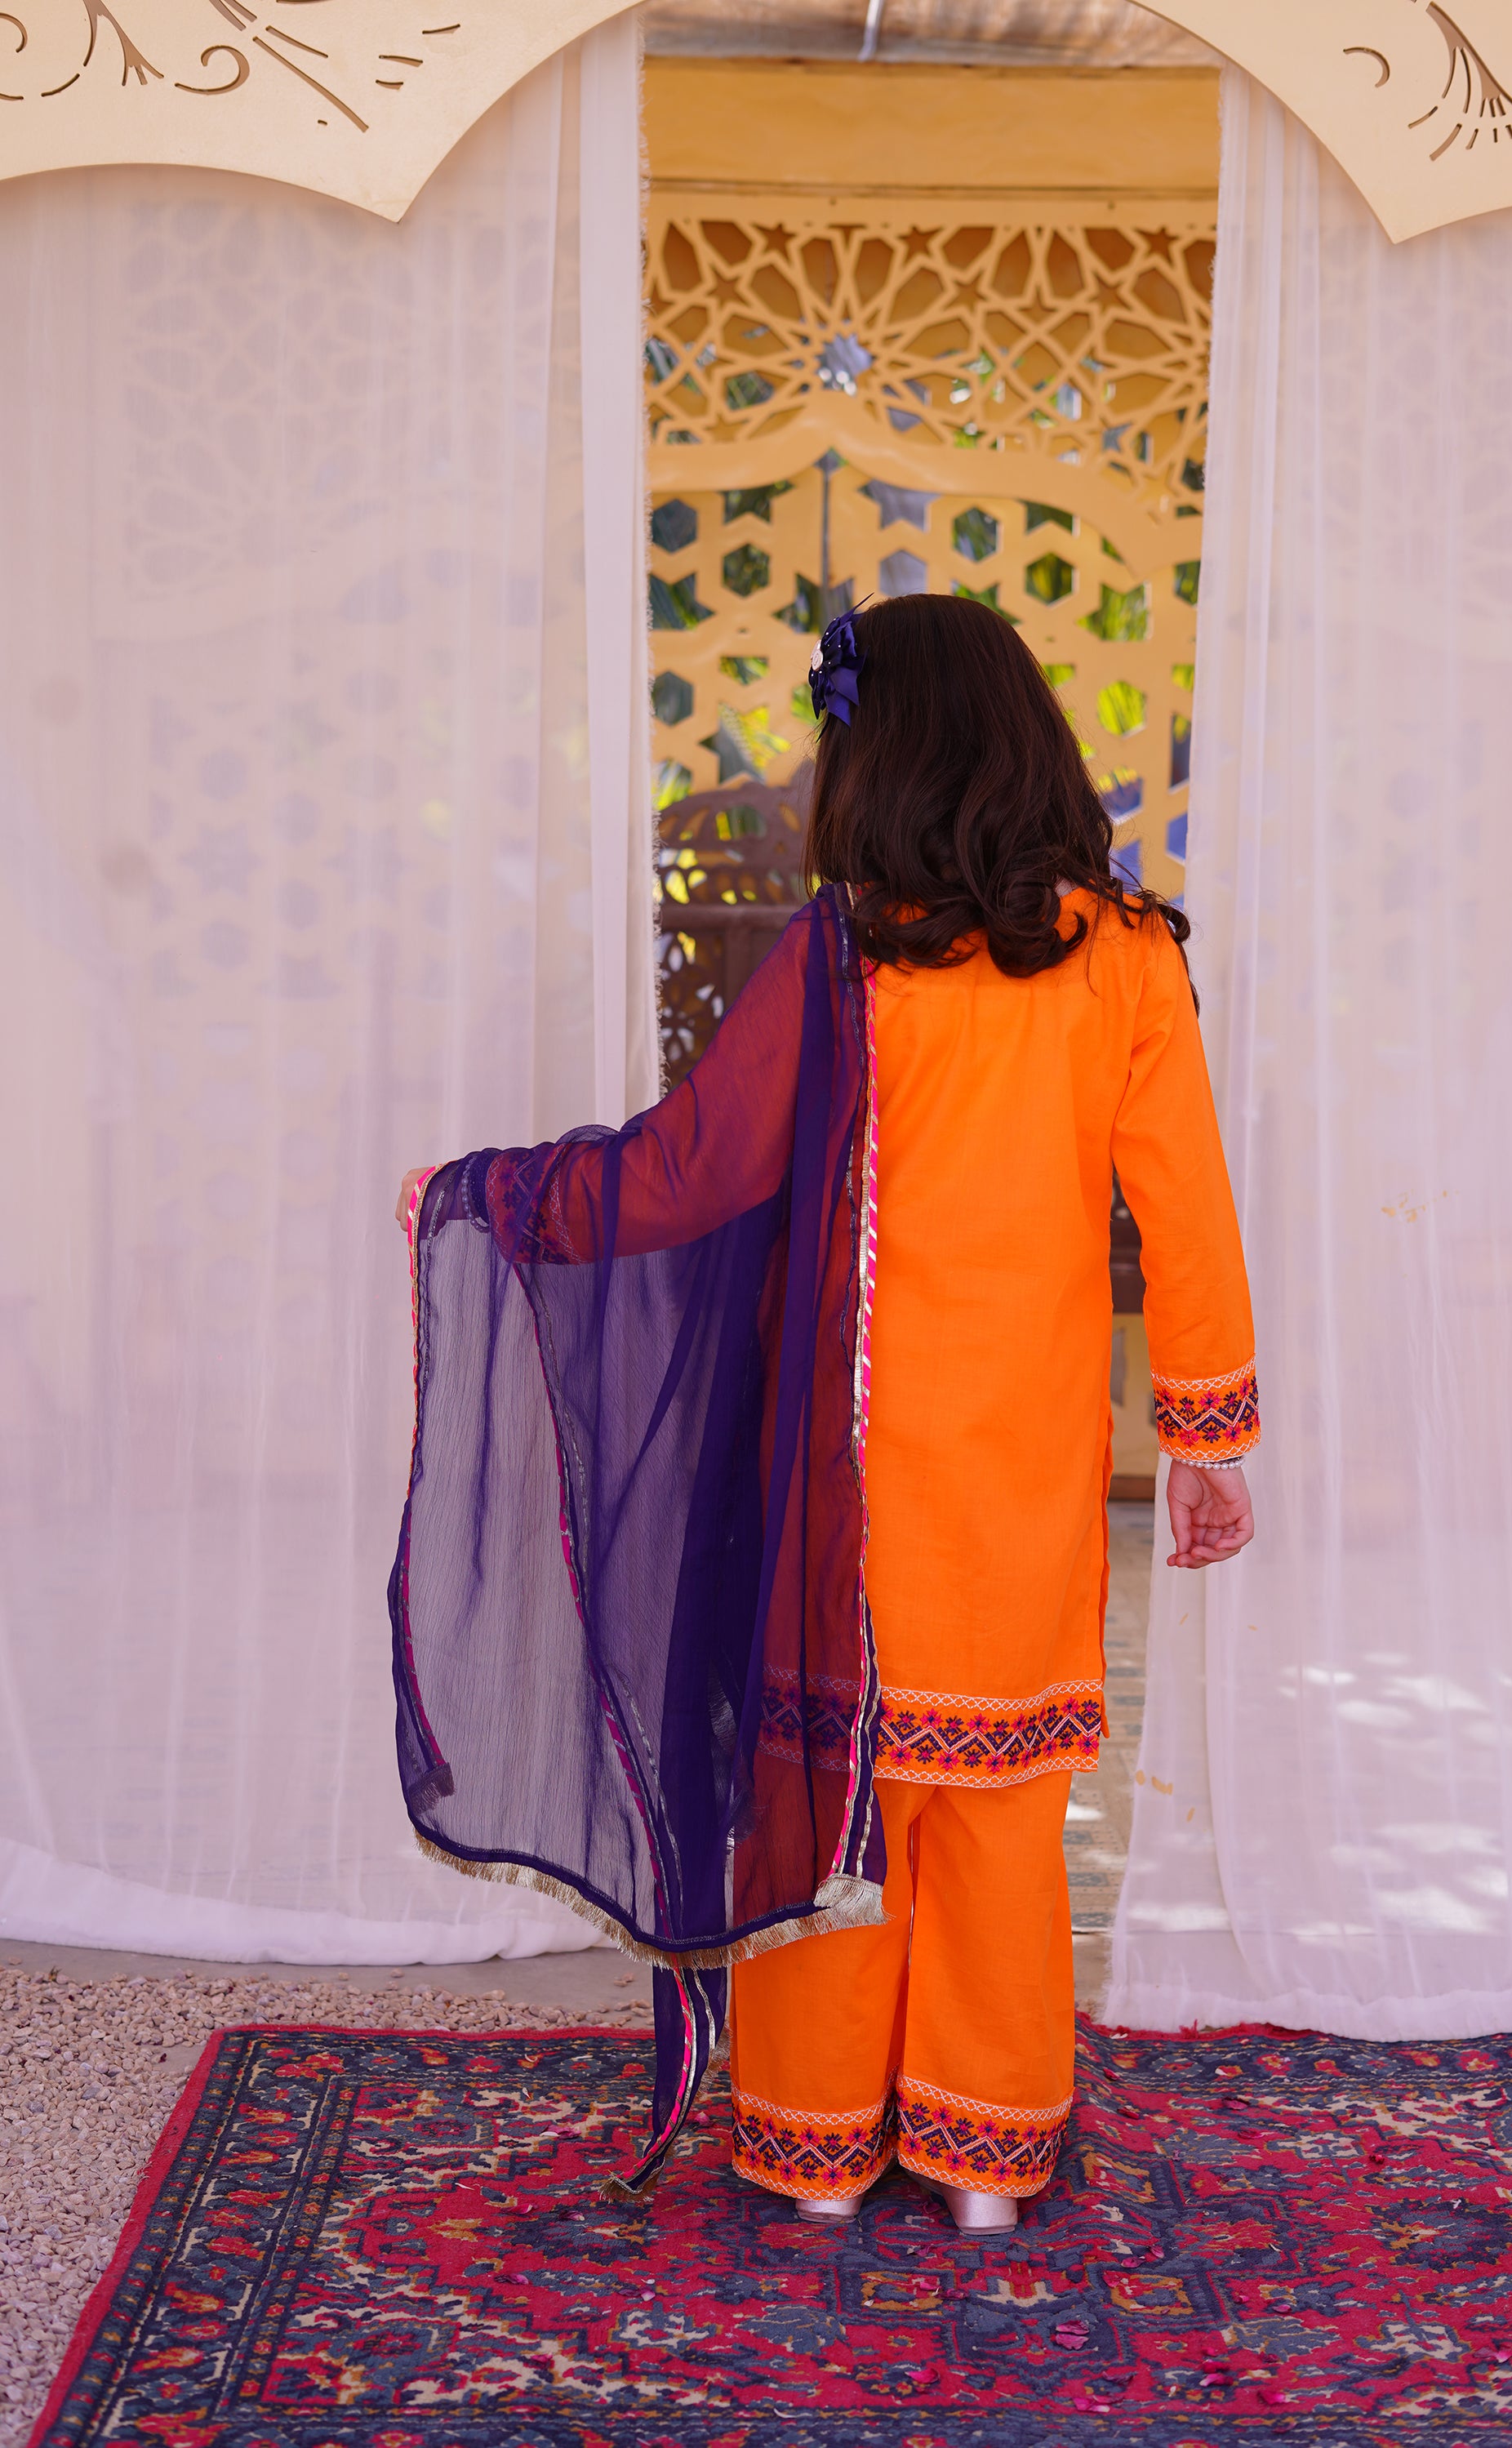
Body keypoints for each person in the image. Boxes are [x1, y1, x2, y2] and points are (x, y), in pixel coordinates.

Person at [393, 593, 1256, 2228]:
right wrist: (1207, 1436)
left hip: (846, 1487)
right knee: (998, 1814)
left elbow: (687, 1169)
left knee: (827, 1794)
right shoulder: (1124, 958)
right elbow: (1190, 1212)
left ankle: (816, 2151)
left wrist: (489, 1198)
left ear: (875, 758)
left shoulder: (846, 959)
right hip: (1023, 1485)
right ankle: (987, 2153)